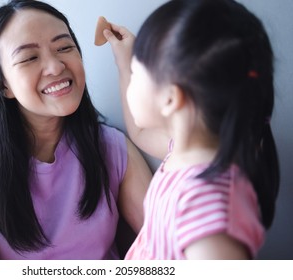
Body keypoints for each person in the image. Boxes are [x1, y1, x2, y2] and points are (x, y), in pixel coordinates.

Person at [0, 0, 152, 260]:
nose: (56, 67)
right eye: (30, 57)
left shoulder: (112, 146)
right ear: (4, 85)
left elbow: (169, 239)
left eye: (65, 47)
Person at [103, 0, 279, 259]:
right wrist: (124, 62)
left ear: (171, 99)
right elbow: (139, 133)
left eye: (135, 73)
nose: (131, 82)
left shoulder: (207, 204)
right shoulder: (188, 150)